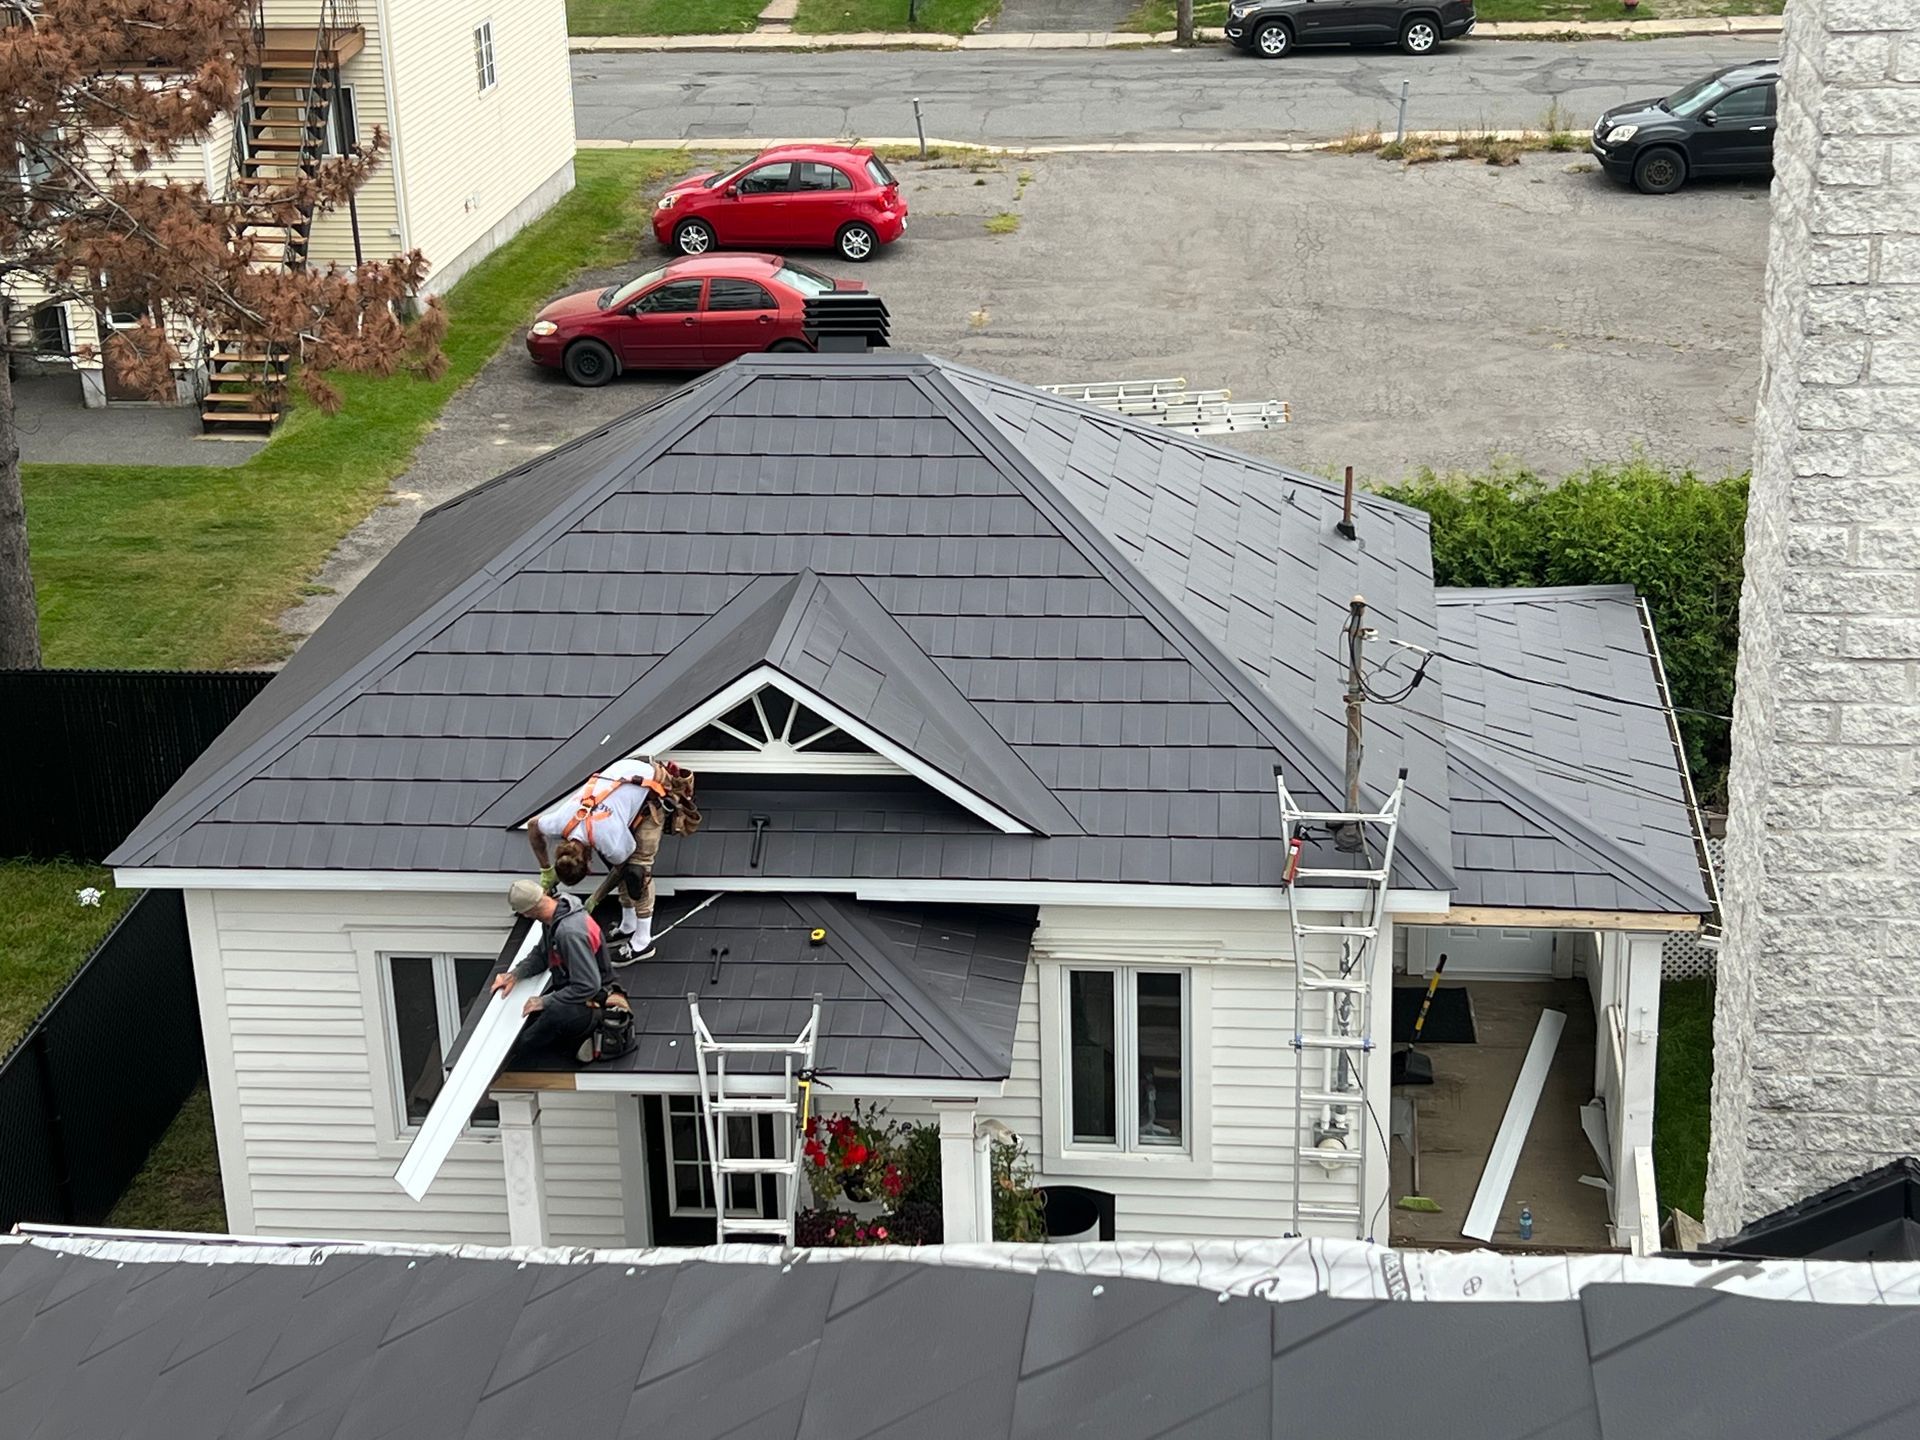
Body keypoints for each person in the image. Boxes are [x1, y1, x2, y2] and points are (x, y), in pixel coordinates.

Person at [526, 757, 665, 960]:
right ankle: (628, 925)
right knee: (618, 861)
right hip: (623, 772)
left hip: (651, 785)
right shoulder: (558, 823)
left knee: (637, 871)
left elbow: (623, 869)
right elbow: (532, 826)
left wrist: (596, 898)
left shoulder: (607, 839)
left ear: (589, 866)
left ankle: (643, 942)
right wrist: (546, 870)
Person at [494, 878, 605, 1068]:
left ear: (527, 912)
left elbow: (588, 986)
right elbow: (542, 955)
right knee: (530, 1023)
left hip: (591, 1006)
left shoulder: (569, 932)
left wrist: (544, 1002)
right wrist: (515, 974)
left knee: (524, 1043)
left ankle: (581, 1042)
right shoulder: (555, 918)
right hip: (571, 995)